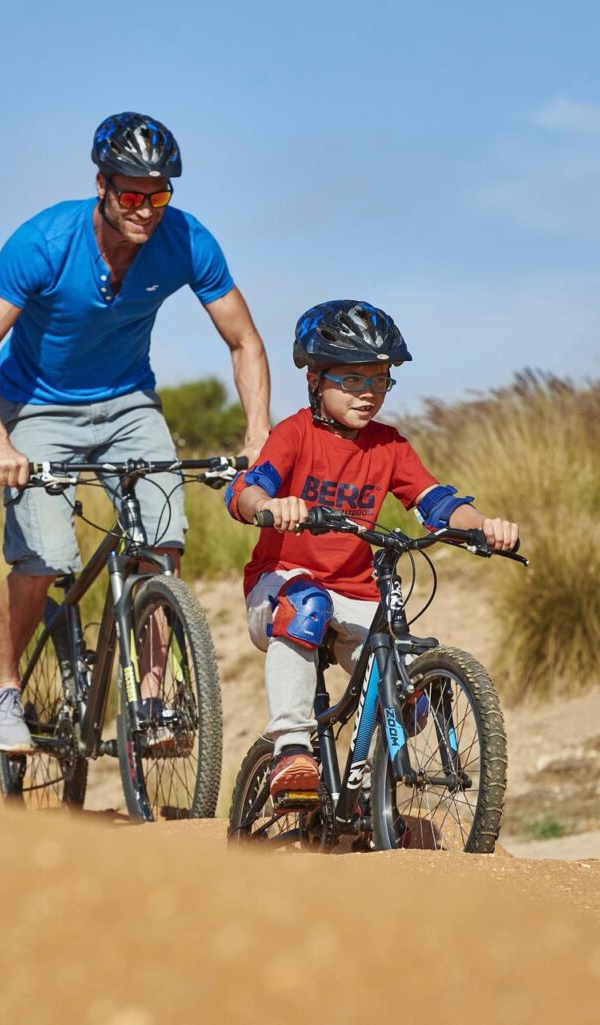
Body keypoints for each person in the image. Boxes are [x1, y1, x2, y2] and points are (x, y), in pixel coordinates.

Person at [0, 112, 271, 752]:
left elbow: (245, 341)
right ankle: (2, 689)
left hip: (129, 403)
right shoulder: (43, 242)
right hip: (38, 408)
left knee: (162, 542)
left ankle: (150, 705)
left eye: (160, 195)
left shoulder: (186, 240)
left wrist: (258, 435)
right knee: (43, 558)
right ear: (101, 184)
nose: (146, 209)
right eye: (131, 194)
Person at [223, 300, 519, 804]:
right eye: (353, 379)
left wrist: (482, 527)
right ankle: (292, 748)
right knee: (307, 606)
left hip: (356, 592)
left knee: (403, 677)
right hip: (280, 586)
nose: (369, 394)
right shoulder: (295, 434)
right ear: (315, 379)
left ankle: (367, 794)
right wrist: (268, 506)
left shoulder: (389, 446)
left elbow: (437, 502)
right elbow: (247, 488)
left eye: (380, 380)